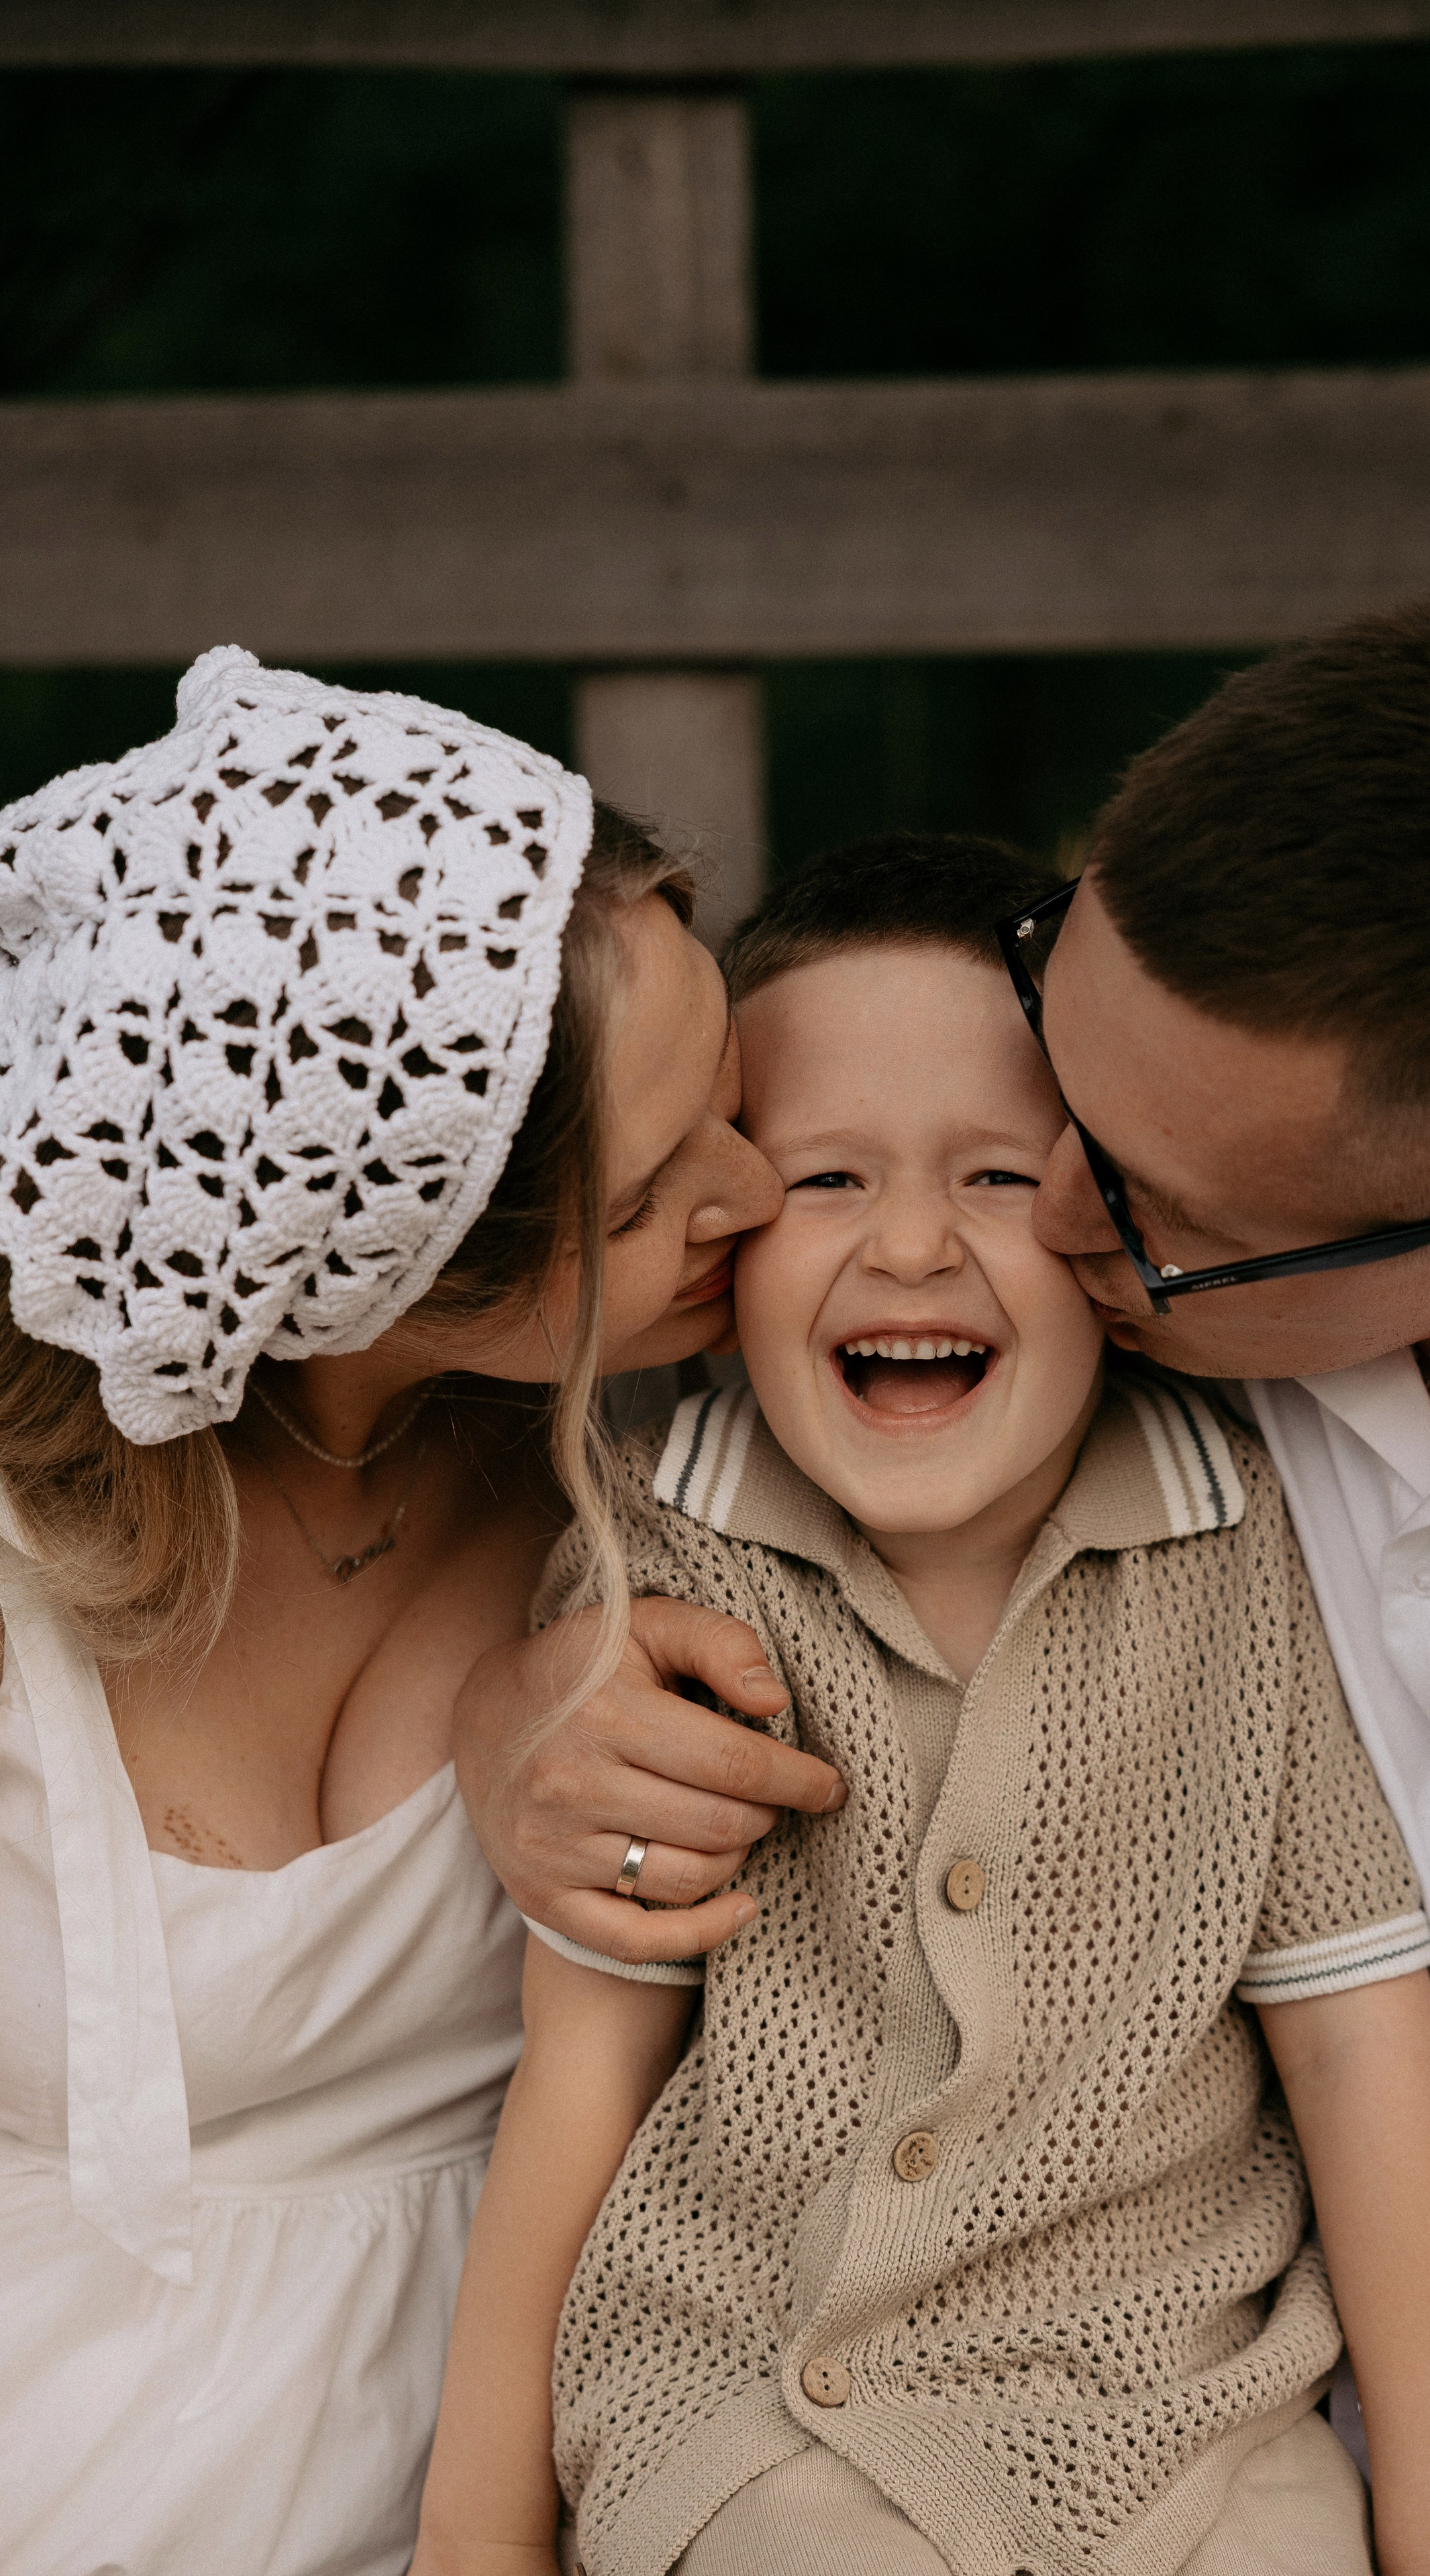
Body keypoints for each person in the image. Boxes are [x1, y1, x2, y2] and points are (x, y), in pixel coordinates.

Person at [454, 594, 1430, 2576]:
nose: (1024, 1224)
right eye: (1069, 1049)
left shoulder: (1240, 1437)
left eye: (1126, 1197)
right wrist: (520, 1699)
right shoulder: (1168, 1339)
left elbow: (1355, 2040)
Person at [0, 645, 797, 2576]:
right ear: (379, 1271)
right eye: (649, 1197)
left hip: (552, 2468)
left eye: (736, 1098)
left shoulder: (713, 1466)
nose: (763, 1191)